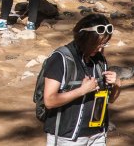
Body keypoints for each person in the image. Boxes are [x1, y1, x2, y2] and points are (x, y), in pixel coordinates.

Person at [42, 14, 121, 145]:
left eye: (104, 44)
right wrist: (82, 90)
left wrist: (117, 84)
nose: (100, 49)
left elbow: (110, 100)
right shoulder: (60, 59)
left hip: (98, 134)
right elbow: (49, 101)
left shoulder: (99, 60)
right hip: (68, 137)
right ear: (84, 38)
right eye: (96, 44)